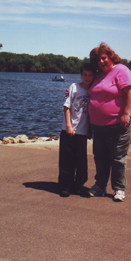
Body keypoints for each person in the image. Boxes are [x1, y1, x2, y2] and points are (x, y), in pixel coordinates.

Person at [88, 43, 131, 202]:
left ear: (110, 57)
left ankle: (119, 188)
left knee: (117, 156)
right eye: (98, 60)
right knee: (100, 156)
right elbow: (87, 87)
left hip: (119, 122)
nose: (101, 62)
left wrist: (126, 114)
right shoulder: (98, 74)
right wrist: (72, 91)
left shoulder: (121, 70)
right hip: (99, 125)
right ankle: (100, 186)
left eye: (103, 58)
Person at [58, 62, 96, 197]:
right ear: (81, 75)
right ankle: (65, 186)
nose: (87, 77)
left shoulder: (93, 91)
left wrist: (90, 130)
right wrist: (68, 125)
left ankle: (78, 185)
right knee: (66, 160)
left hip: (83, 132)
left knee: (81, 161)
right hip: (69, 130)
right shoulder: (74, 87)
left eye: (90, 75)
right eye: (85, 75)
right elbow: (66, 107)